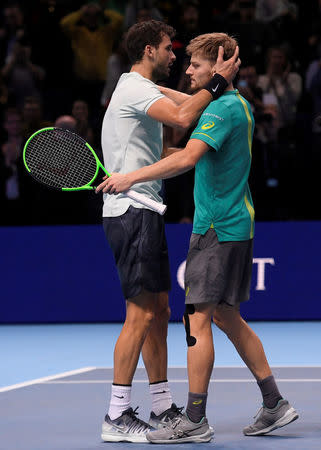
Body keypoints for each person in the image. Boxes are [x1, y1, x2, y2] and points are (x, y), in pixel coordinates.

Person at [96, 32, 299, 444]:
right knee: (226, 316)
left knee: (196, 320)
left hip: (216, 227)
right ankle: (274, 403)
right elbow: (179, 105)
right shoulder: (233, 103)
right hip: (235, 223)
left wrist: (128, 176)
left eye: (194, 64)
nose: (186, 68)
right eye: (181, 59)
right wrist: (210, 82)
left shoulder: (219, 110)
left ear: (217, 66)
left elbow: (187, 153)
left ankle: (194, 418)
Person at [95, 20, 240, 443]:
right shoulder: (136, 89)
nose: (174, 56)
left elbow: (176, 131)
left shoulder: (143, 91)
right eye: (167, 48)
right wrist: (216, 83)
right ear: (147, 51)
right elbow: (183, 114)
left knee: (158, 310)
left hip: (145, 210)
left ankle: (160, 403)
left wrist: (211, 145)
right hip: (130, 212)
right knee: (140, 313)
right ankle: (116, 415)